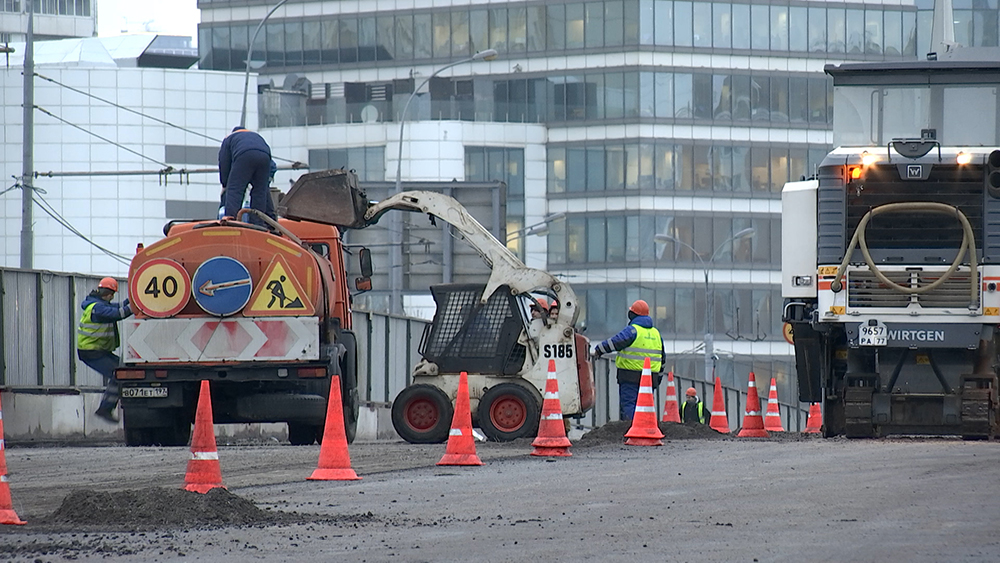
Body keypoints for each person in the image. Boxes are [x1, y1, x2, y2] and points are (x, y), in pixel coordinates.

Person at [591, 299, 665, 420]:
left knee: (630, 405)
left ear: (633, 315)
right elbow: (663, 360)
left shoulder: (633, 330)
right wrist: (658, 378)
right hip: (651, 378)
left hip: (630, 376)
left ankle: (633, 430)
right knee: (646, 406)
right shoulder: (656, 334)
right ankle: (647, 431)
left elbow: (616, 341)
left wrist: (600, 349)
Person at [77, 277, 133, 423]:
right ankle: (105, 409)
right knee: (119, 374)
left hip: (97, 351)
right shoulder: (98, 308)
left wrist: (133, 299)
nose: (113, 298)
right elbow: (118, 314)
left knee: (123, 370)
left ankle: (106, 408)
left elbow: (118, 307)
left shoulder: (97, 304)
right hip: (92, 352)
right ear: (108, 294)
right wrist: (135, 307)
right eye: (112, 294)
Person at [219, 126, 277, 224]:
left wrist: (225, 184)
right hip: (265, 156)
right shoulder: (255, 136)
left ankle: (230, 218)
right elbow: (272, 165)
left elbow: (224, 162)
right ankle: (258, 222)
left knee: (235, 188)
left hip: (244, 155)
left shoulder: (229, 138)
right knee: (260, 191)